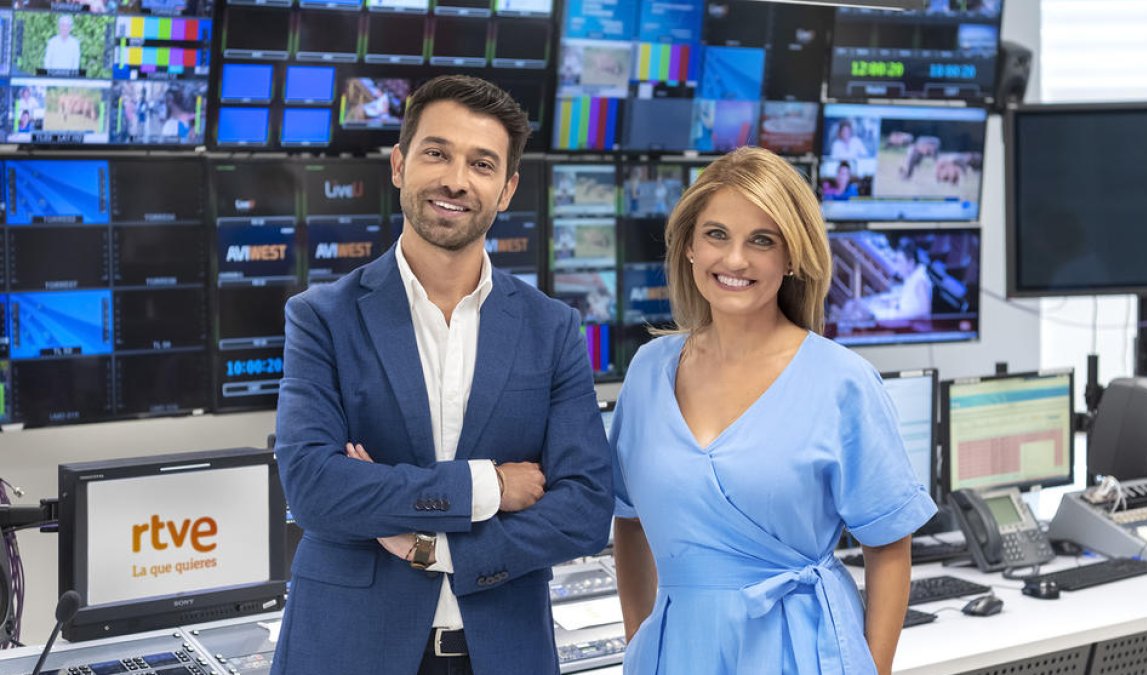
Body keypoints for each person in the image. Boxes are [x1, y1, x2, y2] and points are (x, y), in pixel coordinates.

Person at [271, 75, 613, 675]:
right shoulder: (321, 317)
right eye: (437, 153)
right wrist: (490, 489)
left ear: (506, 190)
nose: (456, 179)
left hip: (504, 652)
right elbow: (316, 491)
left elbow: (584, 509)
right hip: (349, 652)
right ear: (400, 165)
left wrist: (436, 548)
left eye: (481, 164)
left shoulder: (552, 328)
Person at [611, 147, 936, 674]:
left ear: (791, 258)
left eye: (761, 241)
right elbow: (629, 523)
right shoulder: (649, 372)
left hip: (801, 650)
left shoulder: (842, 381)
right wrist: (641, 644)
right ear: (689, 247)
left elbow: (889, 548)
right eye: (716, 235)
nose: (735, 260)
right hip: (676, 653)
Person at [870, 238, 933, 321]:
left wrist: (897, 314)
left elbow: (924, 311)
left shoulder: (920, 280)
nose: (897, 267)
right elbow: (911, 302)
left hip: (914, 329)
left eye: (899, 262)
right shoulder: (911, 278)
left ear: (911, 263)